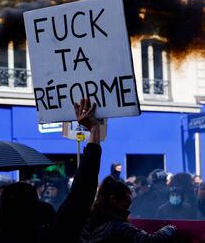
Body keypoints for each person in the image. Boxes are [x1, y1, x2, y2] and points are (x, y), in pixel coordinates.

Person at [55, 99, 177, 242]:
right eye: (125, 206)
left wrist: (94, 129)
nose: (128, 211)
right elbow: (83, 187)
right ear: (113, 200)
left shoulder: (82, 222)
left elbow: (82, 189)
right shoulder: (119, 228)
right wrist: (171, 228)